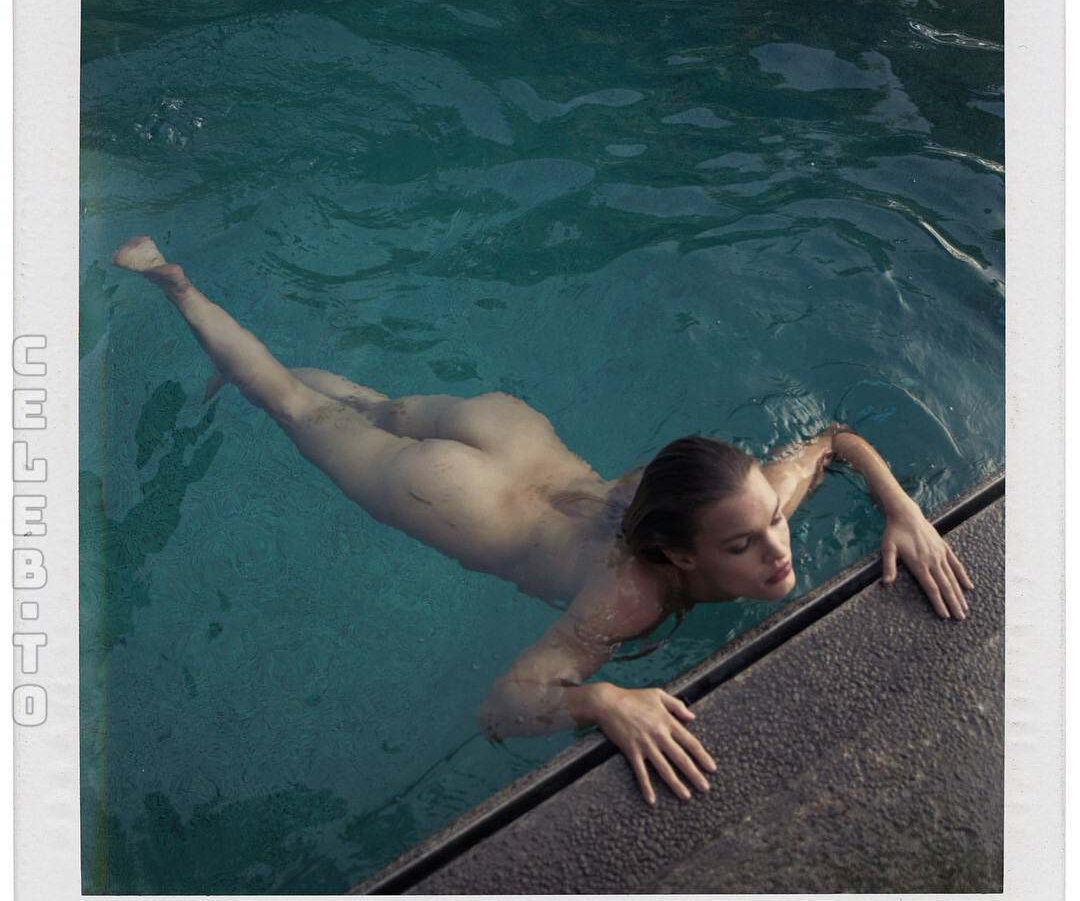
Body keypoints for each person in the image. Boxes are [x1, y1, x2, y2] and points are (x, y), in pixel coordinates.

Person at [111, 236, 974, 806]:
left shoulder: (740, 495)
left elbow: (831, 441)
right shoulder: (627, 600)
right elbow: (502, 704)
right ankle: (176, 286)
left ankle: (240, 354)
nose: (777, 550)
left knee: (363, 407)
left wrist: (902, 509)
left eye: (771, 524)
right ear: (678, 553)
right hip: (461, 499)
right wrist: (600, 699)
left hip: (509, 432)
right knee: (289, 404)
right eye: (743, 544)